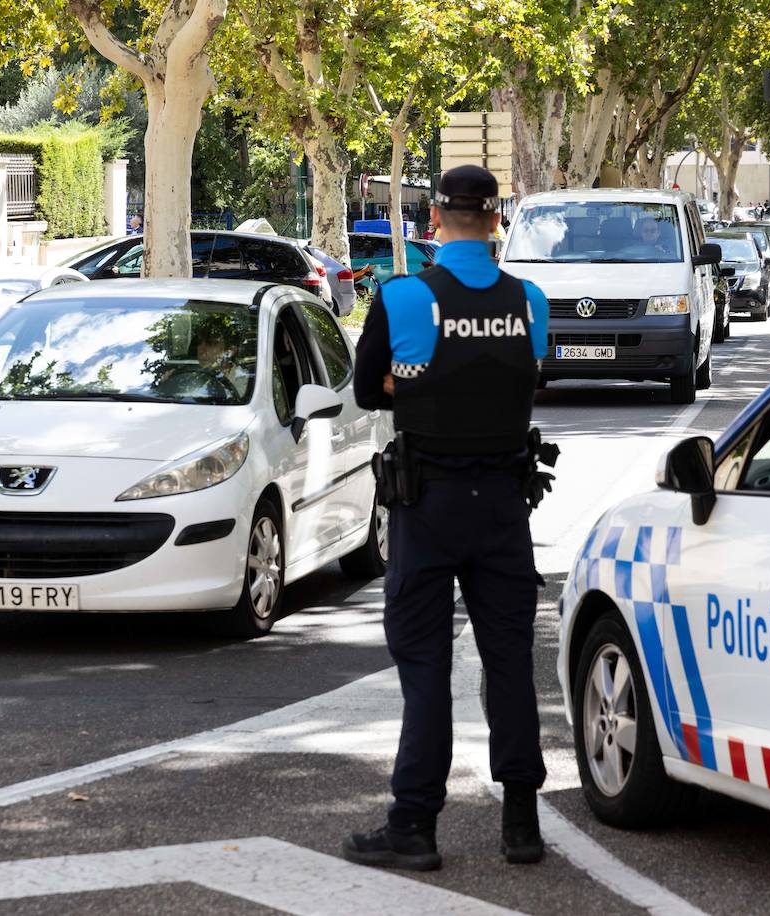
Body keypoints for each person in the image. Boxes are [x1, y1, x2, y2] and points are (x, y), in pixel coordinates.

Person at [345, 164, 551, 872]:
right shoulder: (531, 300)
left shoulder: (404, 295)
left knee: (425, 666)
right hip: (502, 507)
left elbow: (370, 392)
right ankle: (521, 825)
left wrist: (416, 378)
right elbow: (525, 376)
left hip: (426, 505)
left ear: (435, 220)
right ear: (497, 221)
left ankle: (415, 826)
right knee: (510, 664)